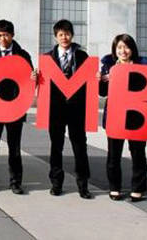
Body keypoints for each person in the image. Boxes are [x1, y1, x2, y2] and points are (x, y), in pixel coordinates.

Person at [0, 20, 36, 195]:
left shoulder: (23, 55)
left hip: (14, 108)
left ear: (12, 35)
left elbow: (29, 81)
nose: (3, 38)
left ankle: (16, 182)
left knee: (15, 147)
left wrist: (34, 77)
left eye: (6, 35)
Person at [98, 34, 147, 202]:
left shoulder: (143, 66)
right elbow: (102, 92)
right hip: (115, 115)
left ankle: (138, 188)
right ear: (115, 50)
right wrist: (102, 80)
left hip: (137, 115)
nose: (123, 51)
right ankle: (114, 187)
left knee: (138, 153)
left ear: (132, 49)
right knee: (114, 155)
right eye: (120, 47)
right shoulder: (108, 67)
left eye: (126, 47)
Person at [43, 19, 93, 199]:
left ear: (72, 35)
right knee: (56, 147)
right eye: (61, 34)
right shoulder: (48, 58)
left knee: (80, 147)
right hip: (55, 110)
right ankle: (56, 183)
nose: (64, 37)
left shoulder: (82, 57)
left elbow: (89, 83)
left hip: (76, 109)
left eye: (67, 34)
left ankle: (83, 185)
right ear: (56, 37)